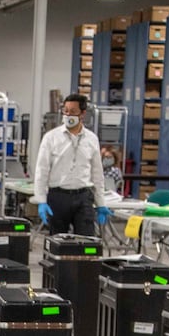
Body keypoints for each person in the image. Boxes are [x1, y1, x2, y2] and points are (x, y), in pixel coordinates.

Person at [31, 94, 111, 236]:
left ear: (83, 113)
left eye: (73, 112)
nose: (68, 115)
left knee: (86, 242)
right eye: (65, 111)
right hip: (58, 196)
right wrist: (41, 200)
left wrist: (101, 203)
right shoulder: (51, 137)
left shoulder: (92, 139)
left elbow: (97, 174)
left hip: (83, 196)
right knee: (57, 243)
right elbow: (41, 171)